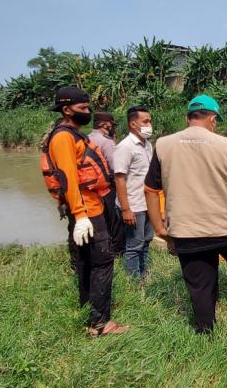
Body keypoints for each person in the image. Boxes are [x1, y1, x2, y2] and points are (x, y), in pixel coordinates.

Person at [143, 94, 227, 334]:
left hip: (186, 231)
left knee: (200, 285)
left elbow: (151, 190)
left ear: (188, 118)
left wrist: (159, 228)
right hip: (226, 227)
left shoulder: (163, 144)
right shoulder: (226, 146)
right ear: (213, 120)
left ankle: (205, 330)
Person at [41, 87, 128, 337]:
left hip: (90, 209)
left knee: (87, 263)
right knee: (102, 263)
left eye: (88, 108)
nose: (88, 112)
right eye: (82, 108)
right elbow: (67, 177)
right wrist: (80, 216)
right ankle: (101, 324)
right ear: (67, 110)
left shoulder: (73, 135)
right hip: (86, 212)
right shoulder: (63, 138)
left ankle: (89, 315)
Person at [113, 106, 155, 278]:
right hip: (133, 205)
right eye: (145, 121)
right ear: (133, 124)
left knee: (146, 242)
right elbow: (119, 179)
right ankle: (134, 282)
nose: (149, 124)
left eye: (150, 120)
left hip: (146, 203)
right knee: (134, 246)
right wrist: (125, 209)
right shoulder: (125, 147)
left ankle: (144, 274)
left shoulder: (147, 145)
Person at [88, 111, 123, 255]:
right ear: (104, 125)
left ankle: (99, 247)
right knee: (114, 220)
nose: (113, 128)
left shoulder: (86, 138)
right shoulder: (106, 142)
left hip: (89, 186)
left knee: (98, 219)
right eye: (112, 125)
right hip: (107, 186)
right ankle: (117, 250)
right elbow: (115, 167)